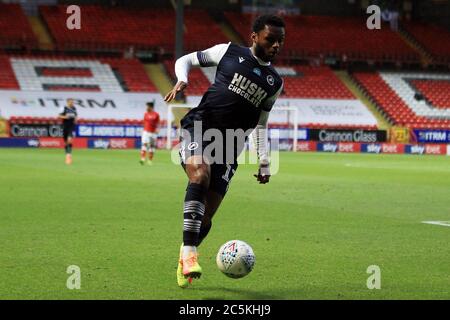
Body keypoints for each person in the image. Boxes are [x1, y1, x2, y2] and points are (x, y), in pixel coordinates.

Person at [164, 14, 285, 288]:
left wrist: (264, 161)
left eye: (280, 41)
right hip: (201, 126)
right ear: (254, 37)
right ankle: (190, 254)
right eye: (270, 39)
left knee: (205, 217)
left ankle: (185, 256)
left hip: (231, 146)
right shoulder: (228, 52)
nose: (276, 45)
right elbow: (185, 60)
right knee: (200, 174)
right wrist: (182, 79)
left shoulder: (274, 83)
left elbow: (261, 124)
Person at [59, 98, 78, 165]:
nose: (72, 103)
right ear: (67, 102)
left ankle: (69, 155)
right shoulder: (63, 108)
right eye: (70, 102)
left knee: (69, 139)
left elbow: (75, 115)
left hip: (71, 126)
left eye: (72, 102)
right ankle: (67, 154)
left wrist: (76, 120)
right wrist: (65, 117)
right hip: (65, 126)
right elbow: (59, 116)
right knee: (66, 142)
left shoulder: (74, 108)